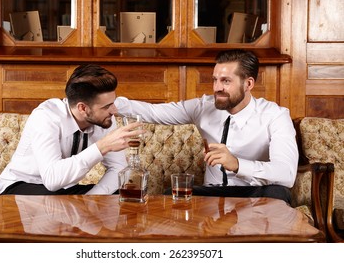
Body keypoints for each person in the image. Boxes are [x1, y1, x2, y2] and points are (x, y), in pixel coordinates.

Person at [116, 49, 298, 204]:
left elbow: (286, 174)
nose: (217, 88)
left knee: (278, 193)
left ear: (248, 83)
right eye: (215, 80)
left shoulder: (275, 116)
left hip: (253, 195)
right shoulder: (203, 107)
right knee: (170, 196)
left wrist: (237, 164)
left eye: (226, 81)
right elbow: (154, 112)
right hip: (212, 195)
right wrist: (107, 103)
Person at [0, 64, 144, 196]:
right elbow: (52, 180)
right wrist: (101, 147)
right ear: (83, 108)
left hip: (62, 190)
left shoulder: (104, 118)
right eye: (106, 106)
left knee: (124, 194)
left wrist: (92, 199)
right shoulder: (46, 117)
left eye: (113, 103)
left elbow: (118, 167)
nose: (114, 110)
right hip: (21, 185)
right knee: (56, 206)